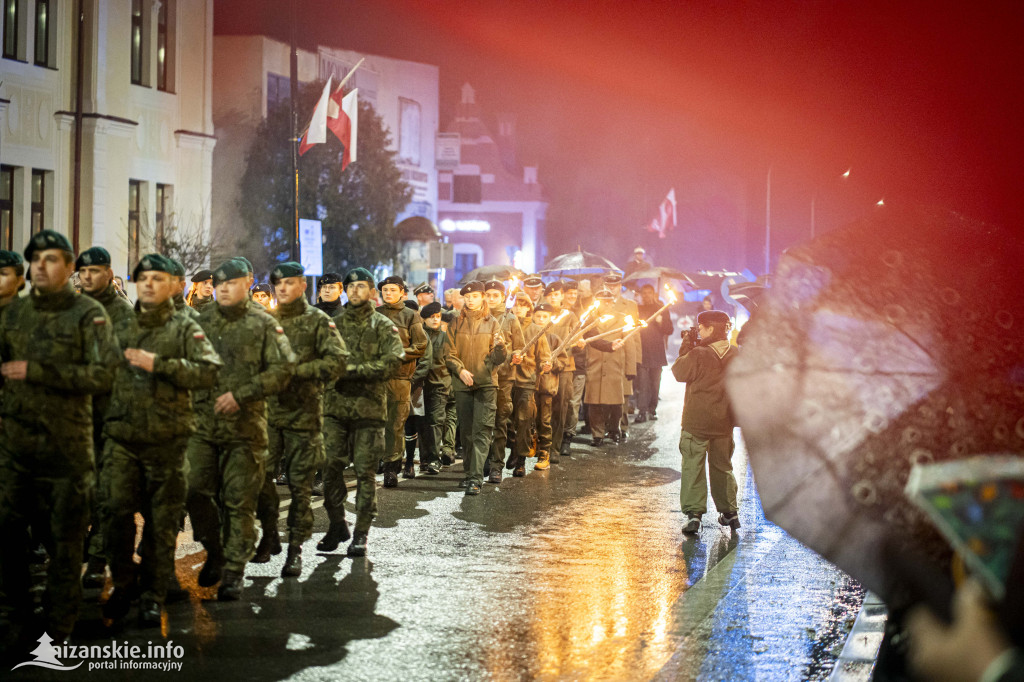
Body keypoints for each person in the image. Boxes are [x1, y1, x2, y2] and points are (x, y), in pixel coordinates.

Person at [0, 230, 121, 641]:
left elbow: (104, 373)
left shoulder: (89, 314)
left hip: (66, 451)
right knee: (8, 536)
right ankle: (17, 612)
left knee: (64, 546)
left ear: (68, 268)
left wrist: (41, 373)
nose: (40, 266)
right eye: (35, 259)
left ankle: (59, 624)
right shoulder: (13, 314)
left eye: (51, 259)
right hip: (15, 448)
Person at [100, 253, 221, 627]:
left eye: (158, 278)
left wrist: (161, 365)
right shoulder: (118, 322)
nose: (149, 284)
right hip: (121, 435)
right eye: (144, 278)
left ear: (175, 284)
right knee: (114, 512)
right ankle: (124, 579)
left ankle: (153, 594)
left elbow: (208, 370)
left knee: (162, 519)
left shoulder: (186, 324)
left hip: (169, 438)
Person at [186, 259, 296, 601]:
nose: (222, 288)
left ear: (248, 282)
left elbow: (284, 368)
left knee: (238, 501)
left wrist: (243, 394)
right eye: (218, 283)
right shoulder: (199, 321)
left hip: (245, 428)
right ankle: (215, 550)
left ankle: (234, 570)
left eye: (230, 282)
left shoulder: (263, 323)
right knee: (195, 492)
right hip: (202, 427)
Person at [254, 262, 346, 576]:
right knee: (260, 478)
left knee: (300, 485)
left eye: (289, 282)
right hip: (269, 413)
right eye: (277, 283)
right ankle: (268, 533)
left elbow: (337, 361)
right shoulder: (266, 320)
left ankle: (295, 549)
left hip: (304, 414)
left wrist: (300, 372)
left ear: (303, 286)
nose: (282, 288)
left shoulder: (318, 321)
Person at [319, 267, 404, 557]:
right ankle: (337, 522)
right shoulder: (332, 324)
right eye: (350, 286)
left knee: (365, 473)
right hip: (334, 409)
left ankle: (361, 533)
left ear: (371, 292)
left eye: (361, 286)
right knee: (329, 468)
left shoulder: (382, 325)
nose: (355, 291)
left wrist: (354, 371)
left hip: (368, 410)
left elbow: (394, 361)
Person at [76, 245, 135, 588]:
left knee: (104, 488)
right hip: (74, 414)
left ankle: (98, 557)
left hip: (107, 412)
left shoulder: (121, 312)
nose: (87, 277)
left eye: (94, 271)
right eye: (82, 271)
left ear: (109, 274)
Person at [671, 309, 740, 534]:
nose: (698, 332)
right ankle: (730, 513)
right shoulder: (737, 354)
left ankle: (694, 515)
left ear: (710, 329)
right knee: (723, 467)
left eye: (701, 328)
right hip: (724, 424)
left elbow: (679, 371)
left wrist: (686, 345)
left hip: (696, 422)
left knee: (693, 466)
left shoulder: (698, 354)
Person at [445, 281, 506, 495]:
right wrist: (460, 370)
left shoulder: (493, 323)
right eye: (467, 297)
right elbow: (449, 354)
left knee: (482, 431)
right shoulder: (455, 323)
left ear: (482, 297)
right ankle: (470, 471)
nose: (470, 299)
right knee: (467, 434)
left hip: (486, 384)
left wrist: (501, 348)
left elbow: (499, 359)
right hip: (462, 384)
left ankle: (475, 478)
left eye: (475, 296)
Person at [375, 276, 429, 487]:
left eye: (392, 290)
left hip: (399, 378)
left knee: (395, 424)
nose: (388, 293)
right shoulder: (374, 314)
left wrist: (396, 353)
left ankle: (391, 468)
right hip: (376, 377)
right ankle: (379, 460)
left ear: (402, 293)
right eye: (385, 290)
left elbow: (421, 346)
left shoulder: (410, 315)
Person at [485, 280, 525, 483]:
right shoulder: (480, 317)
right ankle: (483, 459)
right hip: (483, 375)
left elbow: (519, 346)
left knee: (500, 420)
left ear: (502, 297)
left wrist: (517, 355)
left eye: (495, 295)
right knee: (483, 421)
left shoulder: (510, 319)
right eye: (488, 295)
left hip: (504, 376)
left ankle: (496, 465)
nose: (491, 299)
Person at [583, 288, 626, 446]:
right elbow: (589, 340)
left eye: (609, 302)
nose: (607, 305)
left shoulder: (622, 319)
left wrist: (630, 369)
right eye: (603, 302)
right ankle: (597, 434)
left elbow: (629, 344)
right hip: (595, 365)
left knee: (615, 404)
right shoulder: (589, 320)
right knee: (595, 404)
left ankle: (615, 430)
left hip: (614, 365)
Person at [542, 280, 579, 461]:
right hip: (543, 367)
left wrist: (578, 343)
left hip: (564, 367)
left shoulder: (570, 316)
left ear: (562, 296)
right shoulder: (542, 315)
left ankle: (554, 448)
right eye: (550, 295)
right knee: (542, 407)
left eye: (556, 295)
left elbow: (578, 340)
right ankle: (542, 444)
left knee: (561, 405)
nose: (553, 298)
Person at [414, 302, 450, 476]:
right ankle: (424, 459)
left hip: (439, 384)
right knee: (421, 422)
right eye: (432, 317)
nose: (436, 319)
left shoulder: (445, 337)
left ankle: (435, 459)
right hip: (419, 384)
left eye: (438, 316)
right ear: (425, 319)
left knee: (435, 421)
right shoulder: (418, 335)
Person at [635, 284, 674, 422]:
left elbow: (669, 330)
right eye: (644, 293)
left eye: (649, 293)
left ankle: (652, 409)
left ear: (653, 294)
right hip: (642, 351)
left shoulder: (661, 309)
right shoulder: (637, 309)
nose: (646, 296)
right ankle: (642, 410)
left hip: (657, 353)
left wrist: (661, 322)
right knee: (643, 383)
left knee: (655, 383)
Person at [529, 304, 560, 470]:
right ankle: (532, 445)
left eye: (545, 316)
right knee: (528, 418)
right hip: (529, 384)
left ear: (550, 319)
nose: (541, 319)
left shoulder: (554, 339)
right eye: (538, 316)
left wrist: (552, 364)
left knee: (544, 420)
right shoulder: (528, 335)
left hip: (546, 387)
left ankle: (544, 452)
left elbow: (563, 362)